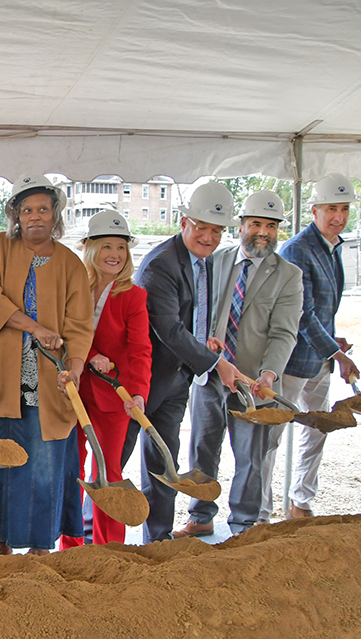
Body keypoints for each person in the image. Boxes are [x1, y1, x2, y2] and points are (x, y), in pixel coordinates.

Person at [0, 173, 92, 556]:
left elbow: (79, 326)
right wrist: (35, 327)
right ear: (15, 216)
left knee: (42, 466)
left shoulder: (71, 264)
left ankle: (39, 546)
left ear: (55, 215)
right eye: (27, 210)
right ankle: (1, 543)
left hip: (49, 380)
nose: (35, 217)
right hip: (4, 378)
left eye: (43, 209)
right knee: (0, 459)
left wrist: (72, 366)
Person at [123, 182, 249, 542]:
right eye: (202, 228)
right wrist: (216, 363)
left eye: (216, 230)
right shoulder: (161, 265)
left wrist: (204, 340)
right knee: (116, 462)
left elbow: (189, 319)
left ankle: (159, 540)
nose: (208, 237)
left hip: (177, 380)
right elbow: (168, 328)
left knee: (165, 463)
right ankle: (97, 539)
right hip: (142, 381)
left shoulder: (202, 263)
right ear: (183, 222)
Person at [177, 190, 303, 537]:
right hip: (210, 374)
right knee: (202, 450)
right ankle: (200, 517)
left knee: (250, 458)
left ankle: (243, 526)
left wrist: (269, 373)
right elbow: (194, 314)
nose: (263, 232)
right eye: (256, 224)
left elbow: (284, 333)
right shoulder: (213, 261)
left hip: (252, 382)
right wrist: (202, 344)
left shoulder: (289, 276)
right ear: (242, 225)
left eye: (271, 226)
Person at [259, 173, 361, 521]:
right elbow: (303, 314)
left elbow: (324, 309)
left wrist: (334, 344)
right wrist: (336, 352)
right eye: (332, 208)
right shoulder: (298, 250)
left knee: (317, 431)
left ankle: (300, 504)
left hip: (320, 359)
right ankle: (260, 513)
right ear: (315, 210)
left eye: (345, 209)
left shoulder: (334, 247)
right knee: (271, 436)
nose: (339, 216)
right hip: (291, 359)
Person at [60, 210, 151, 548]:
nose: (115, 254)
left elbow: (141, 349)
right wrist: (89, 353)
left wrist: (138, 393)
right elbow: (64, 331)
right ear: (90, 249)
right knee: (72, 472)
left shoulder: (133, 296)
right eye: (106, 246)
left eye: (121, 247)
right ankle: (70, 547)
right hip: (72, 392)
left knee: (108, 475)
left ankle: (109, 548)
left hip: (113, 399)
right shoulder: (74, 288)